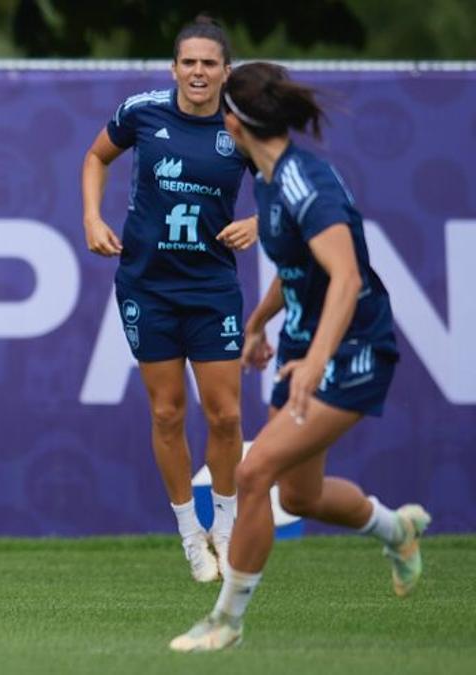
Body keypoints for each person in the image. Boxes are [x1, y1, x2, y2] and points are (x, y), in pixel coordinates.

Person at [169, 62, 430, 652]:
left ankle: (225, 623)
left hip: (353, 350)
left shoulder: (303, 183)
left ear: (233, 122)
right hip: (303, 345)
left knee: (255, 472)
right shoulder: (265, 179)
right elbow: (298, 271)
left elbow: (344, 277)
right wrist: (261, 322)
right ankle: (399, 531)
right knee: (300, 497)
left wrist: (315, 361)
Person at [81, 16, 257, 582]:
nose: (199, 72)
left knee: (226, 415)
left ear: (226, 70)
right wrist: (91, 217)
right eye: (189, 62)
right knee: (166, 411)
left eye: (210, 63)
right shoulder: (143, 112)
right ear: (174, 68)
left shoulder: (243, 123)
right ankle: (189, 533)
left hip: (211, 287)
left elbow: (287, 186)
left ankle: (224, 527)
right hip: (147, 283)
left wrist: (258, 220)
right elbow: (95, 157)